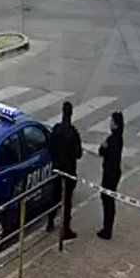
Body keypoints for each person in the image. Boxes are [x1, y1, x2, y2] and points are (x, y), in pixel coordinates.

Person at [47, 101, 82, 240]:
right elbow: (78, 153)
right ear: (71, 114)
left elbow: (50, 147)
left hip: (57, 168)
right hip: (68, 170)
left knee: (55, 197)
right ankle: (65, 229)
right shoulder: (73, 133)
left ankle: (50, 222)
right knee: (67, 200)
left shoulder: (56, 129)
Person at [97, 111, 125, 240]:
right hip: (114, 173)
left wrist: (103, 147)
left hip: (110, 175)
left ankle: (107, 229)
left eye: (112, 122)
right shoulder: (118, 138)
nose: (110, 124)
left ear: (116, 125)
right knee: (109, 201)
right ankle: (107, 227)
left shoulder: (112, 140)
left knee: (107, 201)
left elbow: (103, 152)